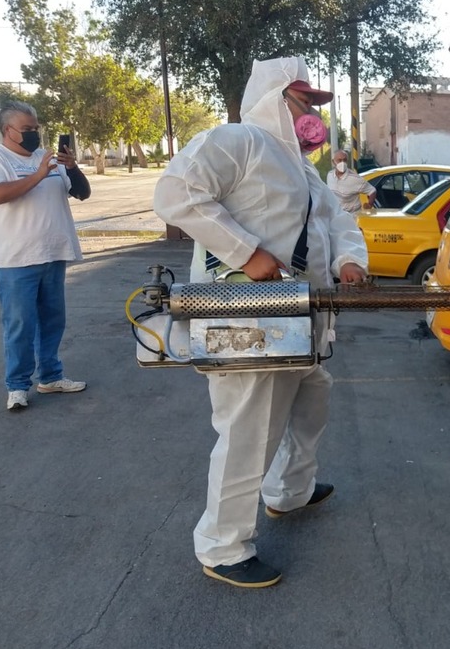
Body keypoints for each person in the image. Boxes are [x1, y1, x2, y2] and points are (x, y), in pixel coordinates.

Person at [153, 56, 369, 589]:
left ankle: (289, 492)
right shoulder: (238, 141)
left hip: (300, 319)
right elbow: (176, 193)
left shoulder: (305, 170)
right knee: (248, 430)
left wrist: (350, 259)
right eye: (306, 103)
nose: (313, 116)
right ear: (276, 99)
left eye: (316, 105)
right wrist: (246, 252)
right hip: (248, 320)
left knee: (311, 399)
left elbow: (336, 220)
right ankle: (223, 546)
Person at [0, 101, 90, 412]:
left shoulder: (46, 157)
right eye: (26, 129)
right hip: (16, 259)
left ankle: (51, 377)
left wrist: (72, 167)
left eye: (36, 128)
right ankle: (17, 386)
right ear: (7, 130)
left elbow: (81, 192)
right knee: (20, 325)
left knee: (52, 321)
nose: (33, 134)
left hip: (53, 252)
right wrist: (38, 175)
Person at [325, 149, 376, 216]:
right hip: (336, 216)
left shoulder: (355, 179)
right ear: (333, 162)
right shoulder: (330, 175)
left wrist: (369, 205)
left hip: (352, 217)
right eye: (339, 160)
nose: (342, 163)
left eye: (345, 160)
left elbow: (372, 191)